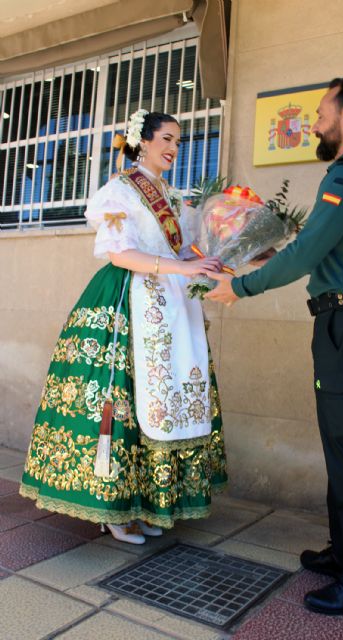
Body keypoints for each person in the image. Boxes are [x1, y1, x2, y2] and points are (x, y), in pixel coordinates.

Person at [205, 78, 343, 615]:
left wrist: (240, 286)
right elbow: (321, 251)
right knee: (342, 444)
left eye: (321, 113)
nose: (314, 122)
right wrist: (269, 255)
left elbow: (311, 248)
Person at [20, 110, 227, 545]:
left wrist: (224, 254)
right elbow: (119, 254)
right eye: (166, 138)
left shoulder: (175, 198)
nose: (173, 148)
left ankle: (146, 503)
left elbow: (191, 247)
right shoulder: (117, 192)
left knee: (164, 403)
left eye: (178, 141)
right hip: (128, 300)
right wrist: (180, 268)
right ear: (143, 141)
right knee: (123, 403)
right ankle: (112, 510)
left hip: (172, 305)